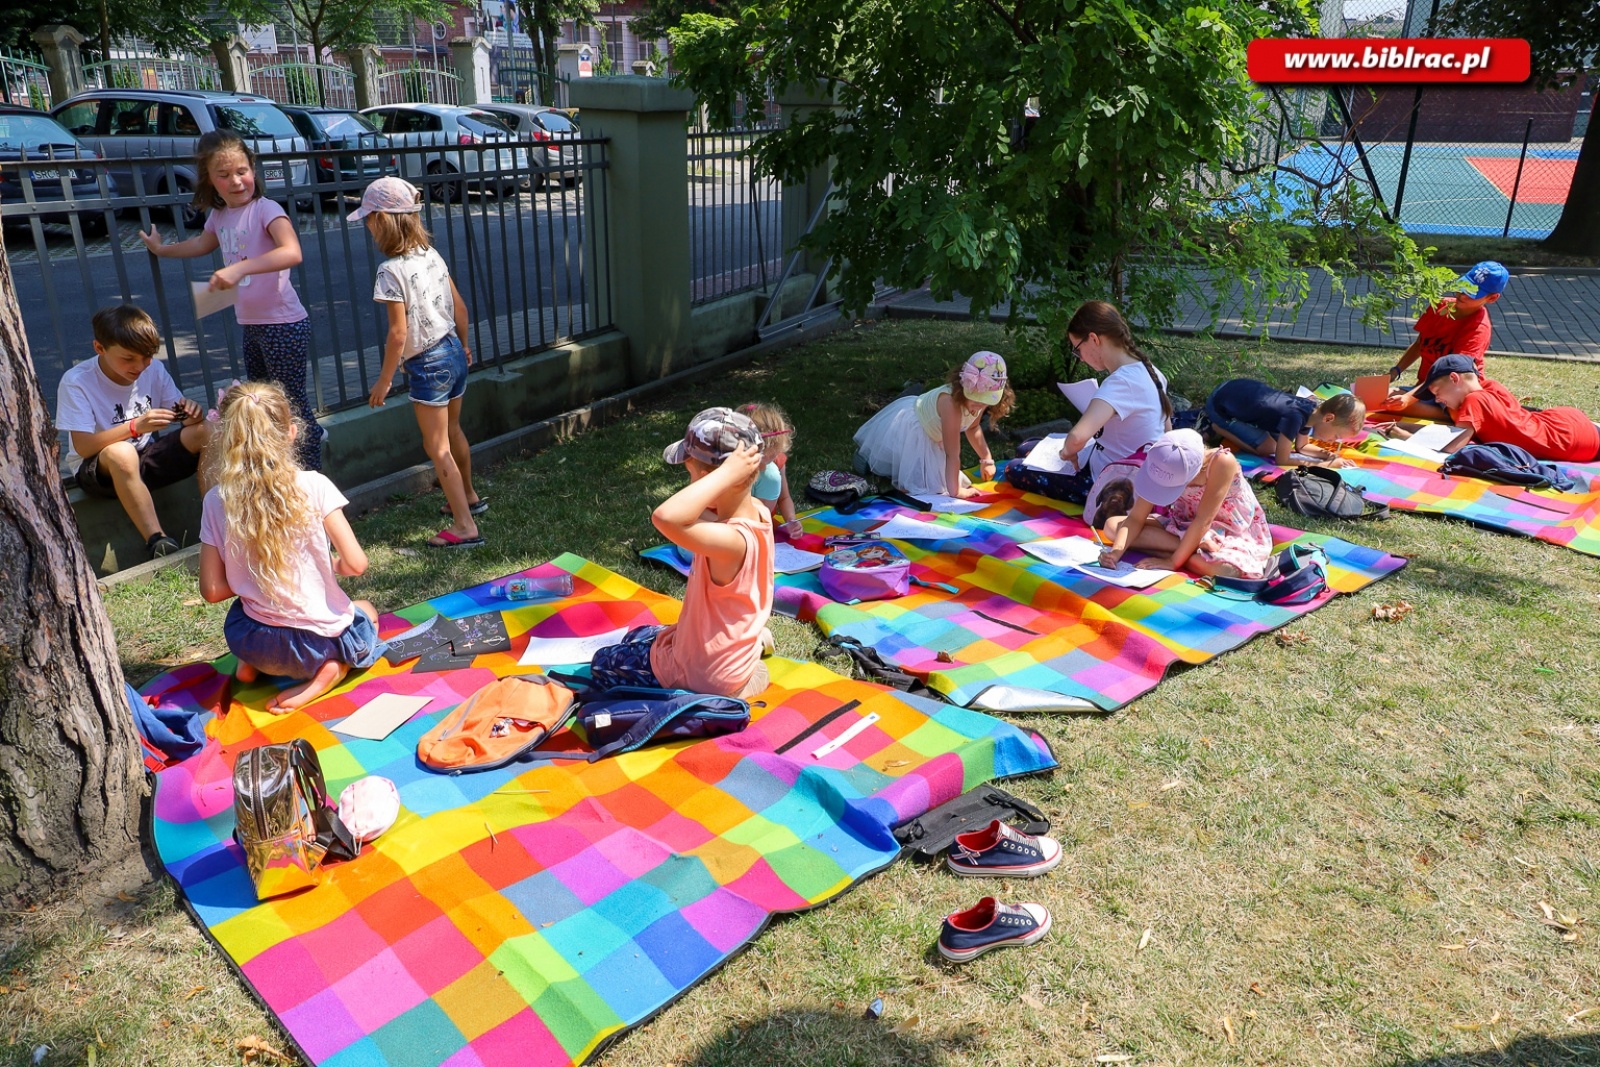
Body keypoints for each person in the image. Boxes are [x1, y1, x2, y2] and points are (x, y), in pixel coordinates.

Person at [140, 130, 321, 471]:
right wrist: (161, 249)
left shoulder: (266, 209)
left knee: (290, 405)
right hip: (252, 324)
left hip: (284, 325)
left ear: (252, 168)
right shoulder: (220, 215)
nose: (236, 181)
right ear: (209, 179)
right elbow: (202, 244)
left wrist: (239, 271)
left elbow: (292, 251)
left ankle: (310, 475)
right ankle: (279, 469)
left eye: (241, 171)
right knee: (262, 405)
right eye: (223, 175)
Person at [198, 382, 385, 712]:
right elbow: (357, 564)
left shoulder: (215, 500)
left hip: (250, 640)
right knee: (366, 610)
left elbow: (212, 590)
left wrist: (251, 581)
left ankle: (251, 665)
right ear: (291, 433)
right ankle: (332, 669)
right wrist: (330, 565)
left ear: (228, 440)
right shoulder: (314, 485)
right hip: (312, 649)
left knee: (252, 610)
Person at [589, 408, 775, 698]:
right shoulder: (759, 514)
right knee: (641, 634)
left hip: (703, 675)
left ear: (718, 480)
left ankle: (722, 682)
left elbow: (665, 518)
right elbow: (692, 518)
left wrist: (723, 474)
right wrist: (725, 478)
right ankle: (752, 646)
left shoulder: (730, 541)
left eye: (692, 477)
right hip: (728, 656)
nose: (691, 486)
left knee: (602, 662)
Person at [349, 176, 485, 548]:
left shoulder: (389, 271)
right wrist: (465, 346)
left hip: (428, 363)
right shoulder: (432, 255)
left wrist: (384, 380)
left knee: (436, 445)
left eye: (369, 218)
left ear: (383, 220)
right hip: (452, 351)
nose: (367, 226)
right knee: (453, 431)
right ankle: (468, 494)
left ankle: (464, 525)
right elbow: (461, 308)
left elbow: (398, 334)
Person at [56, 305, 213, 558]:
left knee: (208, 430)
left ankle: (216, 519)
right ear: (100, 348)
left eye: (147, 356)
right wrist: (135, 426)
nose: (140, 366)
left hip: (144, 457)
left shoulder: (152, 369)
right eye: (128, 358)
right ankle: (157, 540)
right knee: (122, 451)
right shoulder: (77, 381)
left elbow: (182, 416)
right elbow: (83, 447)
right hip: (99, 470)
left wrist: (192, 414)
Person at [1098, 428, 1274, 580]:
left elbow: (1203, 519)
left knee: (1227, 570)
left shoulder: (1221, 462)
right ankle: (1193, 550)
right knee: (1112, 526)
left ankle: (1180, 552)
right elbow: (1136, 517)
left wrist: (1172, 562)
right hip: (1182, 526)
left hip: (1227, 530)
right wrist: (1116, 553)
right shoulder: (1163, 459)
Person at [853, 351, 1012, 499]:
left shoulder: (977, 403)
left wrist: (987, 459)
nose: (980, 405)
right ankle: (865, 459)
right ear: (963, 385)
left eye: (985, 401)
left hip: (935, 435)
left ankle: (879, 461)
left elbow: (973, 428)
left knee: (933, 481)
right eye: (976, 399)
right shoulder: (950, 404)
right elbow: (952, 454)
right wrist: (956, 492)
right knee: (923, 487)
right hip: (915, 429)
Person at [1055, 301, 1173, 482]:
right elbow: (1167, 430)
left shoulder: (1120, 383)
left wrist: (1066, 454)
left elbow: (1077, 438)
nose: (1082, 359)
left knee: (1016, 467)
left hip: (1113, 483)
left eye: (1078, 350)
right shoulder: (1152, 372)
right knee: (1028, 449)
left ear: (1094, 339)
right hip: (1143, 476)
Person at [1385, 260, 1508, 421]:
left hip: (1454, 395)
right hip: (1426, 388)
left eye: (1472, 293)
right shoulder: (1439, 306)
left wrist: (1408, 399)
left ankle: (1457, 416)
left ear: (1492, 298)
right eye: (1463, 286)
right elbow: (1419, 345)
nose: (1462, 294)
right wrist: (1395, 372)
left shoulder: (1478, 328)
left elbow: (1453, 376)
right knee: (1381, 399)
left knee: (1388, 406)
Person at [1425, 354, 1600, 463]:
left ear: (1455, 378)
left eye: (1438, 391)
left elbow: (1452, 446)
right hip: (1566, 424)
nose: (1438, 399)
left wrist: (1403, 434)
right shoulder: (1490, 386)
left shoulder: (1475, 401)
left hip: (1571, 440)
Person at [1204, 379, 1366, 468]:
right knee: (1270, 448)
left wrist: (1328, 455)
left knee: (1276, 438)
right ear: (1329, 418)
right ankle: (1217, 427)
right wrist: (1327, 465)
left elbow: (1301, 447)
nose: (1333, 441)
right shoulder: (1295, 417)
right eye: (1336, 436)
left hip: (1233, 388)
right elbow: (1282, 460)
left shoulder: (1312, 412)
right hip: (1218, 406)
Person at [740, 401, 802, 539]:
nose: (773, 457)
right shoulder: (733, 466)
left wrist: (791, 520)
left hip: (764, 526)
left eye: (775, 453)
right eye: (766, 456)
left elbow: (784, 497)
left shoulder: (776, 461)